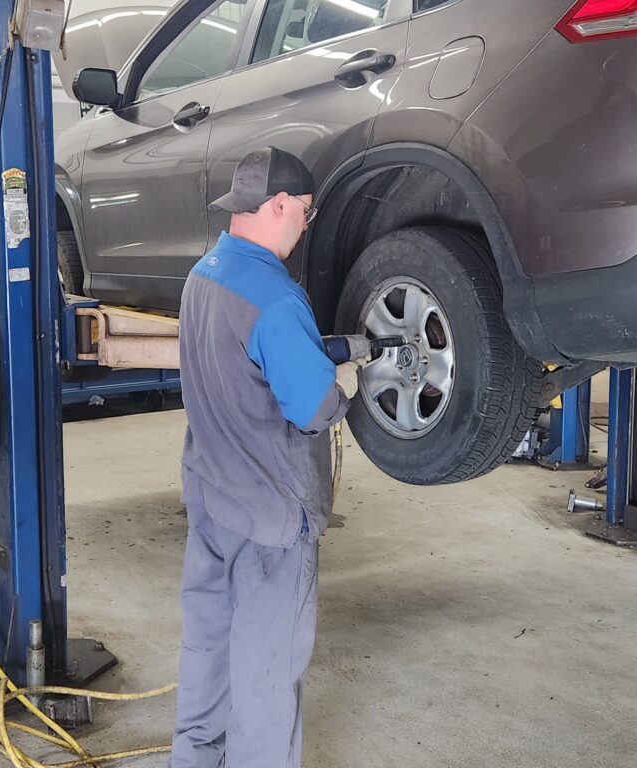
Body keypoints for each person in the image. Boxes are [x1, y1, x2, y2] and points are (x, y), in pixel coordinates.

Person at [170, 147, 359, 768]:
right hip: (269, 518)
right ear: (278, 205)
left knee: (208, 653)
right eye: (304, 211)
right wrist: (346, 389)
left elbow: (240, 359)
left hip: (210, 499)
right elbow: (313, 409)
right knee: (265, 673)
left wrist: (308, 349)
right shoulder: (277, 298)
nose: (306, 225)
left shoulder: (204, 275)